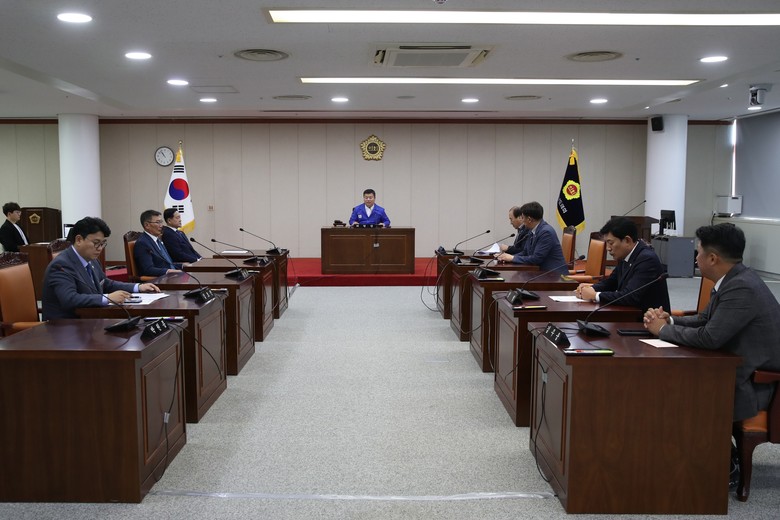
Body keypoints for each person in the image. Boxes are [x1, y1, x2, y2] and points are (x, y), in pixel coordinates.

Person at [644, 223, 780, 488]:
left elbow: (709, 337)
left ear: (713, 258)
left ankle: (719, 464)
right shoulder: (733, 279)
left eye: (698, 252)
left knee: (679, 392)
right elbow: (706, 319)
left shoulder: (742, 287)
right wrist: (668, 320)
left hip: (754, 383)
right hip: (736, 368)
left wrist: (662, 331)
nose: (696, 258)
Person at [42, 217, 160, 320]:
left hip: (90, 319)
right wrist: (107, 298)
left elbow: (105, 283)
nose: (100, 248)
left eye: (103, 243)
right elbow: (69, 299)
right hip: (65, 326)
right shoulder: (61, 265)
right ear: (79, 240)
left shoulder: (92, 260)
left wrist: (138, 287)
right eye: (96, 243)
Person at [575, 216, 670, 310]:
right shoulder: (626, 255)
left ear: (627, 240)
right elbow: (611, 282)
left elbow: (630, 296)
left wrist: (595, 295)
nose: (608, 248)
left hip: (646, 317)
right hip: (630, 314)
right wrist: (592, 288)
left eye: (611, 243)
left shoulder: (647, 259)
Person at [496, 201, 568, 274]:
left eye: (523, 218)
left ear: (529, 219)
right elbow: (525, 252)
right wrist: (508, 257)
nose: (522, 221)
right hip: (540, 272)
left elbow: (536, 259)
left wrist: (513, 258)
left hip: (554, 275)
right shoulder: (532, 230)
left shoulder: (546, 232)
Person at [134, 210, 183, 277]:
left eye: (161, 222)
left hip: (173, 276)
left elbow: (167, 263)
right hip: (162, 279)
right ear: (147, 225)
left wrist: (182, 265)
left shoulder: (158, 240)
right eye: (158, 222)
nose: (161, 226)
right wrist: (168, 271)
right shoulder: (142, 243)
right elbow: (147, 269)